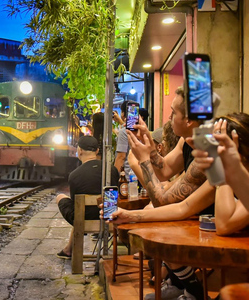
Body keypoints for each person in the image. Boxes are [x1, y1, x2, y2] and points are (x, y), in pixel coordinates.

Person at [108, 114, 249, 300]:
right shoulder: (222, 173)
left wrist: (224, 168)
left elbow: (224, 224)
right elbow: (184, 207)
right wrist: (131, 215)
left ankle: (192, 292)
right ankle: (192, 292)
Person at [55, 135, 119, 259]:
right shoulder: (112, 169)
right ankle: (68, 249)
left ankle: (69, 250)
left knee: (62, 198)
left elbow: (75, 205)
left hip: (83, 220)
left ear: (79, 151)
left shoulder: (74, 175)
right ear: (97, 151)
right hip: (110, 216)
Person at [114, 100, 138, 177]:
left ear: (123, 113)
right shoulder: (141, 130)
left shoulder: (123, 132)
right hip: (138, 174)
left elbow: (121, 157)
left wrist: (114, 177)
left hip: (127, 176)